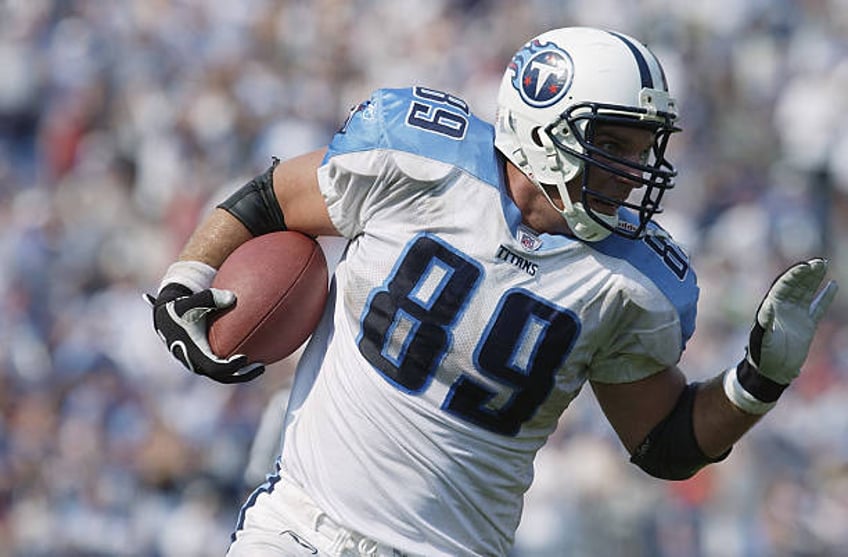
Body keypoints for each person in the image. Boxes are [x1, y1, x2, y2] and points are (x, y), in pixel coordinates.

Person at [146, 27, 838, 556]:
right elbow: (271, 197)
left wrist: (757, 381)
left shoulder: (634, 279)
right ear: (543, 126)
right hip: (299, 527)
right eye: (615, 145)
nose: (633, 172)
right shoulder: (417, 159)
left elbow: (665, 443)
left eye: (642, 150)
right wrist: (188, 275)